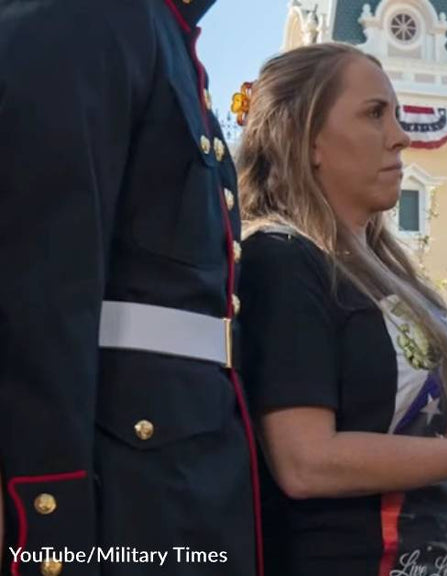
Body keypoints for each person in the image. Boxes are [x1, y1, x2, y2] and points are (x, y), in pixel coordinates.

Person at [235, 43, 447, 576]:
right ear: (306, 138)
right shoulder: (281, 258)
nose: (401, 135)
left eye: (397, 113)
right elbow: (305, 461)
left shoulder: (383, 269)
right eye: (374, 114)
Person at [0, 1, 263, 575]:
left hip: (178, 487)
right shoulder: (90, 15)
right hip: (123, 495)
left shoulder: (165, 38)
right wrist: (48, 534)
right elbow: (40, 296)